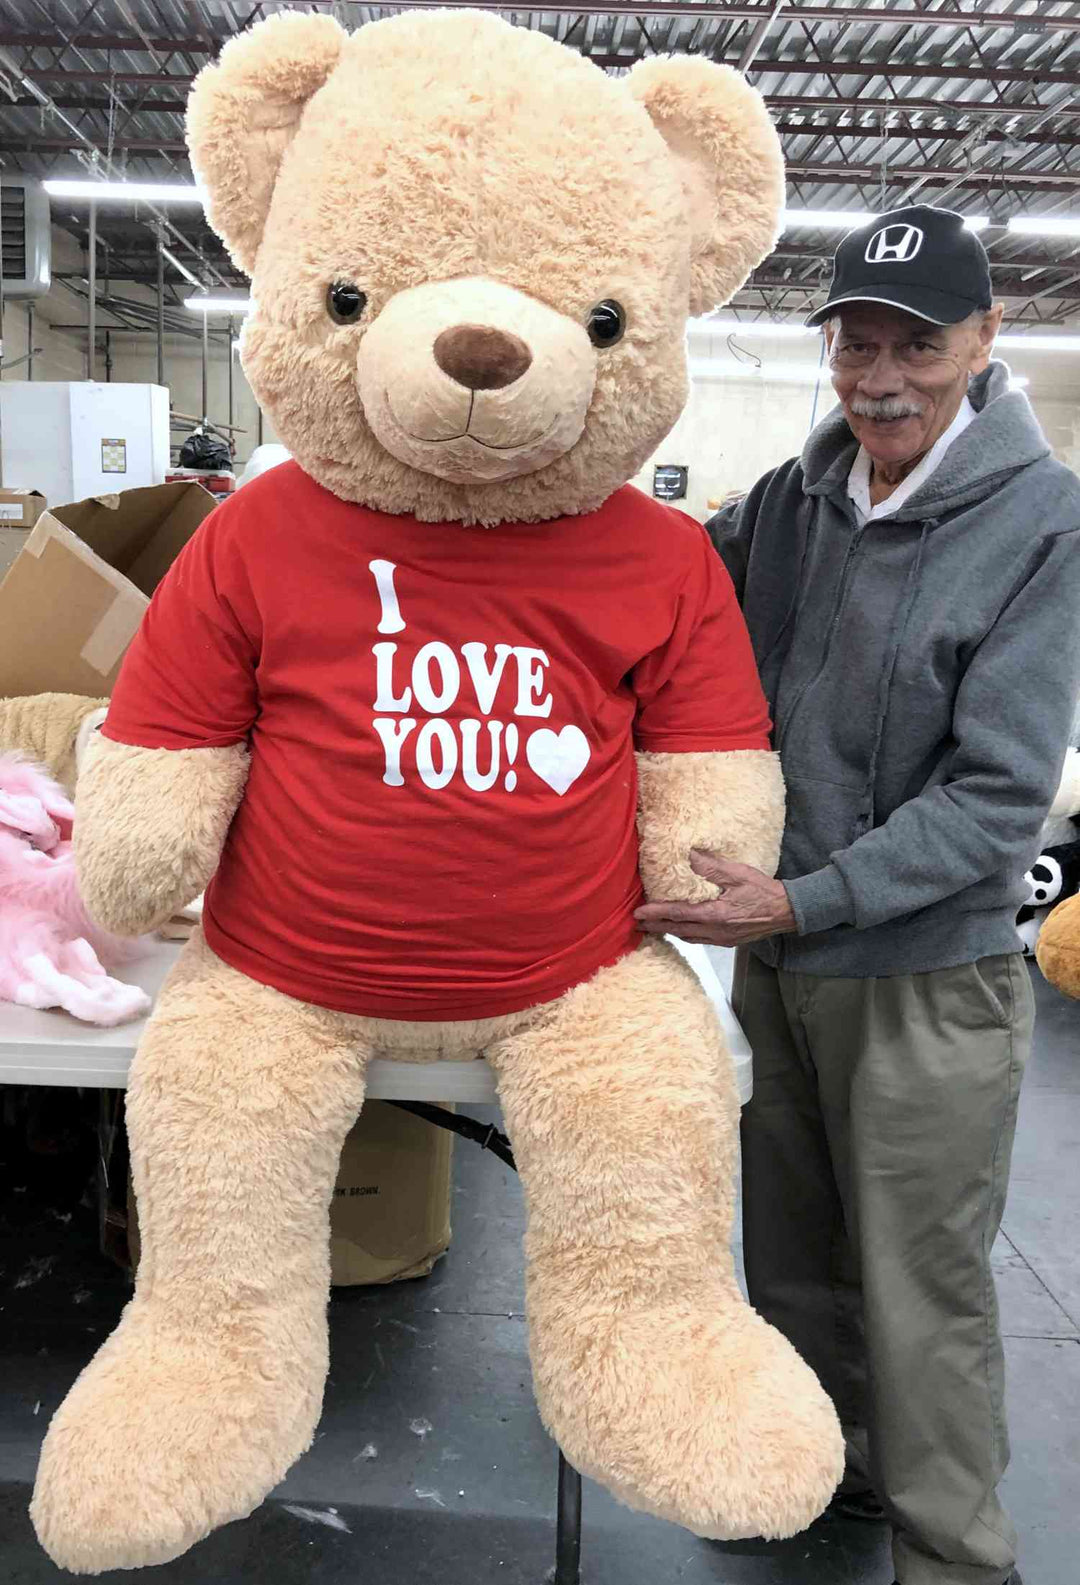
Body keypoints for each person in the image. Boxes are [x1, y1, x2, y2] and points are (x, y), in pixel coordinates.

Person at [636, 204, 1080, 1585]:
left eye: (918, 343)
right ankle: (825, 1482)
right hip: (784, 959)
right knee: (796, 1264)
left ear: (985, 339)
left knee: (921, 1297)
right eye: (856, 343)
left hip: (922, 983)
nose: (882, 374)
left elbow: (999, 799)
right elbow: (666, 597)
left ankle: (957, 1555)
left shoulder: (1044, 525)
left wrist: (802, 898)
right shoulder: (797, 499)